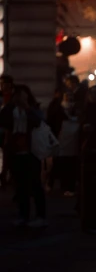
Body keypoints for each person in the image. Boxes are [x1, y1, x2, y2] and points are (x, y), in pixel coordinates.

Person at [0, 84, 47, 227]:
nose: (19, 97)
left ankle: (40, 215)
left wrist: (26, 107)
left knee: (35, 184)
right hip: (16, 151)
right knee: (20, 185)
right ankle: (23, 214)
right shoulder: (9, 109)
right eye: (16, 94)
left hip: (32, 151)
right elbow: (3, 122)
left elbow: (39, 121)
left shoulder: (33, 108)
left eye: (21, 94)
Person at [0, 74, 15, 187]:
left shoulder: (14, 98)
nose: (2, 86)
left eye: (4, 83)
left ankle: (6, 176)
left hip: (9, 132)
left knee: (8, 155)